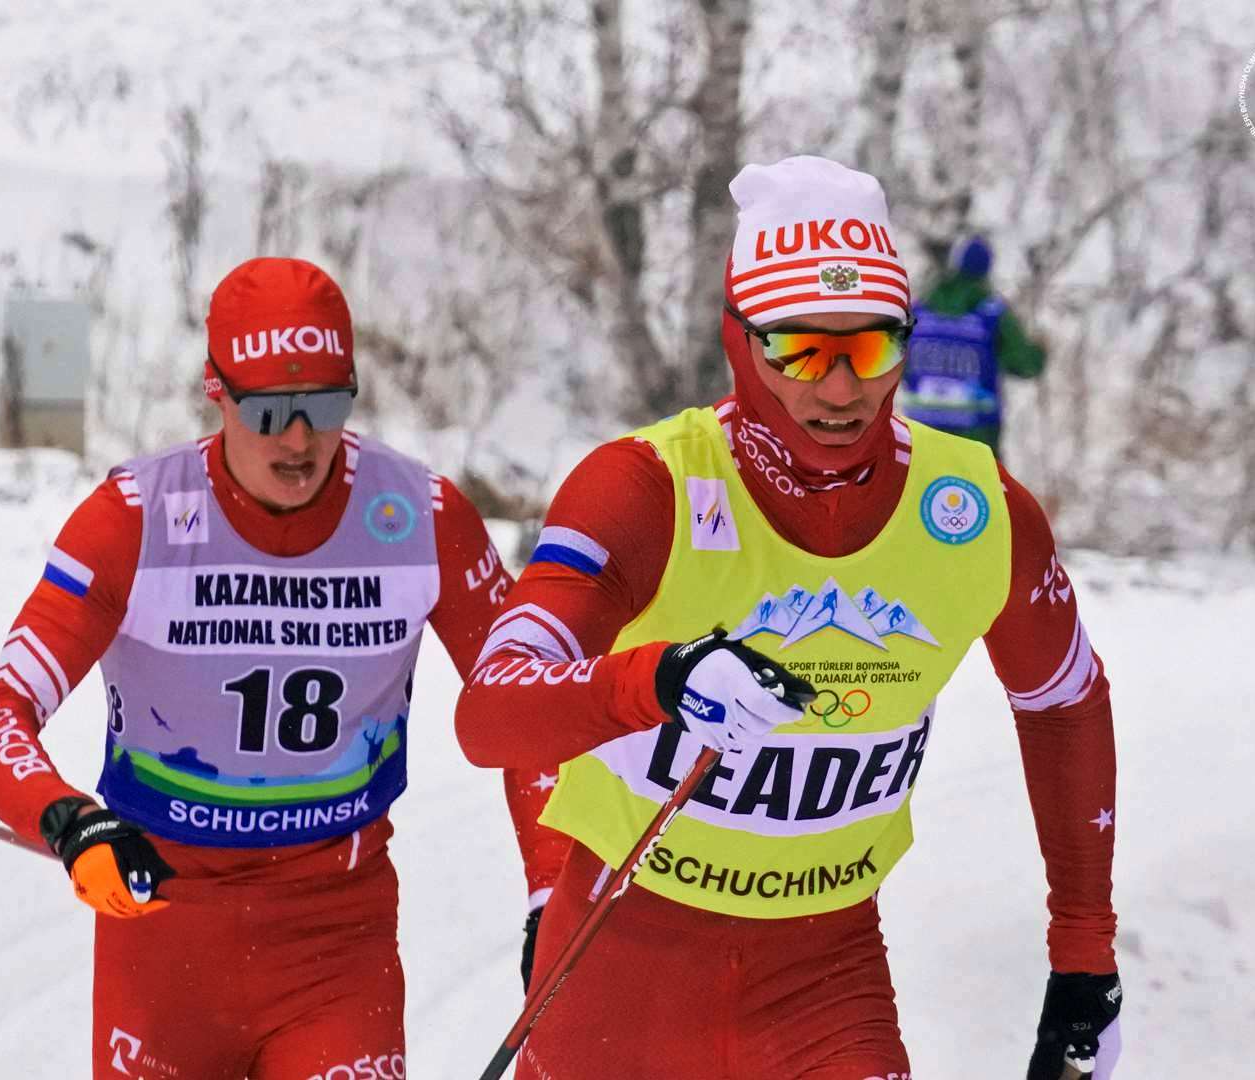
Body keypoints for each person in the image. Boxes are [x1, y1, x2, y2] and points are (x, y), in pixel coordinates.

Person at [456, 156, 1121, 1079]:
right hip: (620, 969)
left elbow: (1065, 703)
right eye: (803, 350)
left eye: (872, 348)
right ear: (741, 342)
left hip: (827, 974)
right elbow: (491, 711)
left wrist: (1083, 952)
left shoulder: (975, 511)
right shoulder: (646, 488)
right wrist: (661, 679)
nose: (842, 389)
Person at [0, 257, 565, 1078]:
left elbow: (532, 712)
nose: (299, 439)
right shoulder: (133, 522)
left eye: (324, 405)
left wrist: (554, 891)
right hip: (165, 931)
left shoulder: (422, 518)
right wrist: (69, 820)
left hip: (334, 942)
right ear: (217, 392)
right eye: (271, 409)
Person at [899, 234, 1046, 456]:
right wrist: (1041, 352)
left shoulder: (919, 310)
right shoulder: (992, 314)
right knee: (977, 491)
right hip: (976, 437)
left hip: (919, 434)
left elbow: (893, 360)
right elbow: (1025, 364)